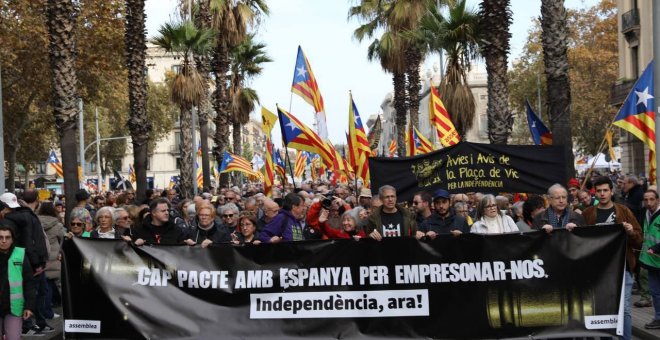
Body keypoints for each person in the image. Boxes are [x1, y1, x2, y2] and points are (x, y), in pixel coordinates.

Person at [582, 176, 642, 340]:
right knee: (603, 311)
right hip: (598, 271)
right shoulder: (588, 214)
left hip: (623, 268)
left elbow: (639, 239)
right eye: (599, 191)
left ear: (611, 191)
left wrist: (630, 232)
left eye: (605, 190)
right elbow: (580, 241)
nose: (602, 194)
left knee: (625, 310)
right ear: (595, 193)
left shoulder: (624, 211)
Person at [0, 224, 36, 339]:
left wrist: (29, 306)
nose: (4, 241)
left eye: (7, 237)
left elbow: (29, 282)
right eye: (0, 237)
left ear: (12, 239)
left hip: (14, 309)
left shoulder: (20, 255)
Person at [36, 203, 63, 321]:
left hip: (40, 256)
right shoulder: (57, 224)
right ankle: (49, 311)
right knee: (52, 285)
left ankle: (42, 311)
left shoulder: (36, 222)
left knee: (43, 286)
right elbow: (62, 238)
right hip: (54, 258)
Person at [639, 189, 660, 313]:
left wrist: (656, 248)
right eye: (646, 199)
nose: (649, 202)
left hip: (657, 256)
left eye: (652, 199)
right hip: (651, 260)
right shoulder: (646, 213)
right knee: (655, 292)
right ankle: (658, 318)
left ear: (658, 200)